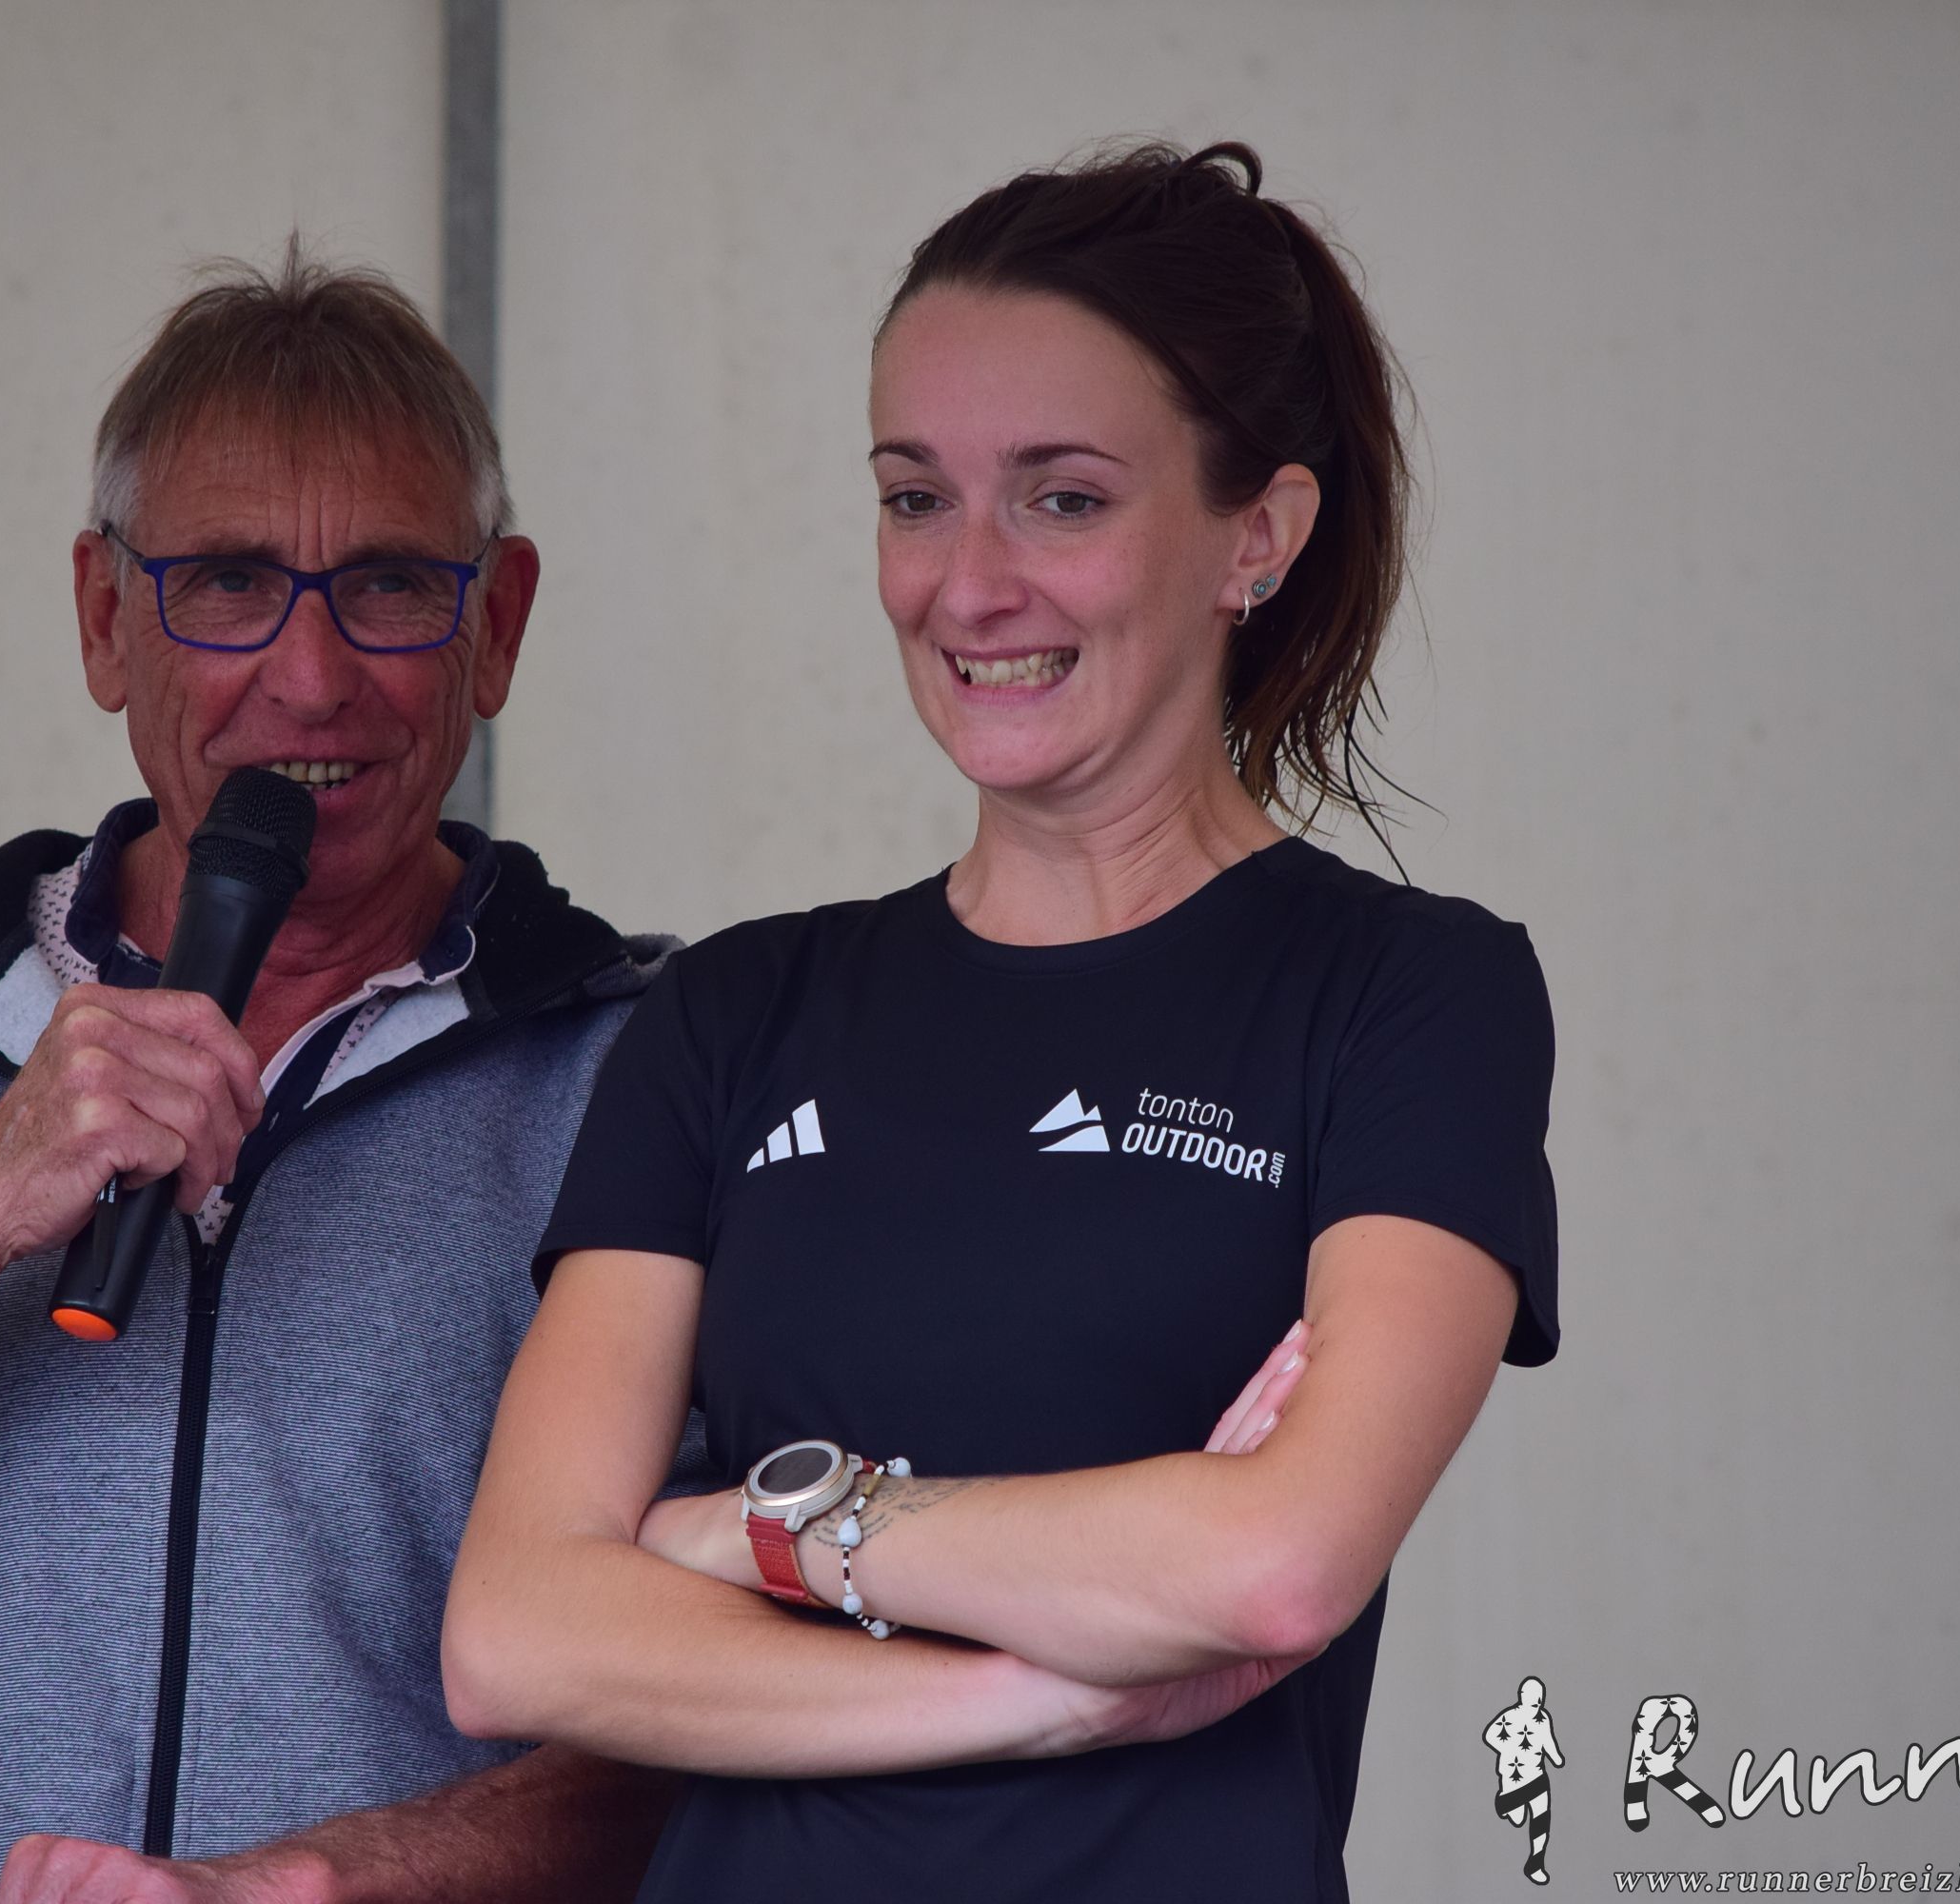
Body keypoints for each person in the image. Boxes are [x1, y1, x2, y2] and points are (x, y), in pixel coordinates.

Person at [443, 141, 1560, 1904]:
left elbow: (1277, 1565)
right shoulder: (734, 1011)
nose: (966, 585)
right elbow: (517, 1630)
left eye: (1063, 499)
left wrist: (767, 1524)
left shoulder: (1412, 995)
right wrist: (1036, 1697)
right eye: (915, 498)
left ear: (1257, 536)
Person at [0, 247, 689, 1903]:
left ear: (495, 626)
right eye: (226, 582)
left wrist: (314, 1884)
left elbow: (728, 1719)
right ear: (104, 618)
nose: (310, 677)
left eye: (388, 586)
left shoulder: (648, 1059)